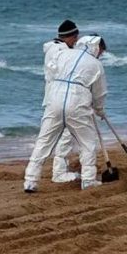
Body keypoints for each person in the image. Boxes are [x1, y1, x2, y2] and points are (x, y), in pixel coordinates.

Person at [24, 34, 109, 193]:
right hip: (78, 101)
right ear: (97, 48)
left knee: (44, 141)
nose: (100, 55)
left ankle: (30, 180)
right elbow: (99, 93)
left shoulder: (63, 53)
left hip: (54, 97)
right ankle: (89, 180)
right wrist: (99, 110)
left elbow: (50, 71)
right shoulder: (96, 65)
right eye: (101, 52)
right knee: (87, 142)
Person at [44, 19, 81, 183]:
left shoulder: (55, 49)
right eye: (75, 37)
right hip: (60, 99)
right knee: (65, 135)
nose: (77, 41)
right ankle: (59, 173)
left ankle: (59, 168)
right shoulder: (59, 52)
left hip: (54, 99)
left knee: (59, 136)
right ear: (69, 37)